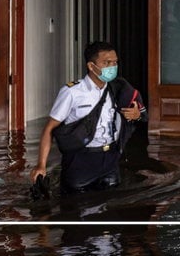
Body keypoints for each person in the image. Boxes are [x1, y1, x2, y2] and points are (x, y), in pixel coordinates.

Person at [29, 41, 146, 195]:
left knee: (111, 207)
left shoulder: (118, 89)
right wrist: (41, 165)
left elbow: (138, 114)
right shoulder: (72, 92)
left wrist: (137, 115)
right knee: (74, 208)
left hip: (110, 160)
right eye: (106, 62)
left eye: (115, 62)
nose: (112, 66)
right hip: (80, 161)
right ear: (91, 66)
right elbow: (50, 128)